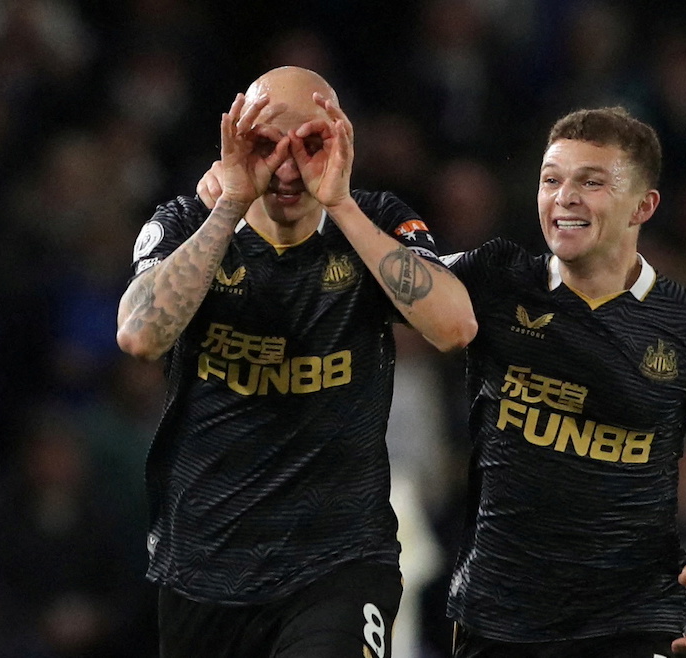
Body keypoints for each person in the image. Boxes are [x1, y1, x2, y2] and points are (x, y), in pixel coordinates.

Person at [115, 66, 477, 658]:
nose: (286, 169)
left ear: (340, 142)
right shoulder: (185, 223)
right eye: (265, 146)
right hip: (206, 563)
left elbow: (455, 326)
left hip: (339, 563)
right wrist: (229, 205)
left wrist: (343, 204)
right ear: (233, 144)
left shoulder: (377, 221)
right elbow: (139, 336)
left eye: (309, 145)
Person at [440, 107, 686, 657]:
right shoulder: (495, 278)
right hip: (497, 615)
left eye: (590, 182)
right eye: (551, 180)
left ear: (643, 206)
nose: (564, 197)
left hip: (633, 618)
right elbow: (392, 284)